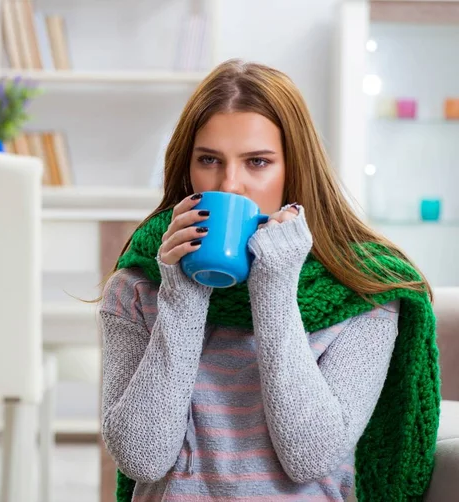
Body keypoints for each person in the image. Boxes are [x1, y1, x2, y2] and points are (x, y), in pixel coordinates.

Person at [98, 59, 440, 502]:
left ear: (294, 169)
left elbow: (310, 457)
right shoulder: (137, 285)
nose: (231, 185)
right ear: (188, 169)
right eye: (209, 160)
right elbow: (141, 457)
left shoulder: (364, 291)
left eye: (257, 162)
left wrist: (274, 288)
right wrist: (182, 299)